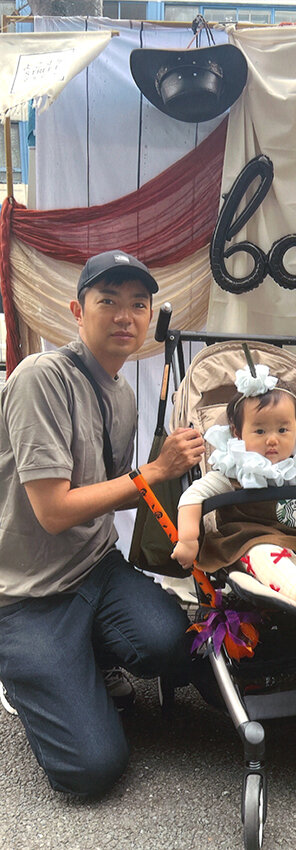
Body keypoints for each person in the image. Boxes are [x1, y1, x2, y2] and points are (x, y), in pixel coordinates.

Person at [0, 250, 205, 796]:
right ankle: (26, 677)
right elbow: (54, 512)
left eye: (138, 305)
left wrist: (203, 485)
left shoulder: (122, 394)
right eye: (108, 301)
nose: (124, 316)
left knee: (173, 643)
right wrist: (155, 471)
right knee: (92, 770)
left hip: (94, 567)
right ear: (77, 310)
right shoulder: (42, 378)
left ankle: (83, 658)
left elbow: (112, 495)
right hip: (27, 594)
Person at [172, 362, 296, 618]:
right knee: (261, 554)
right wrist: (188, 540)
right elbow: (193, 496)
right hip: (257, 544)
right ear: (238, 434)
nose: (272, 439)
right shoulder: (234, 472)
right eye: (259, 431)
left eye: (283, 430)